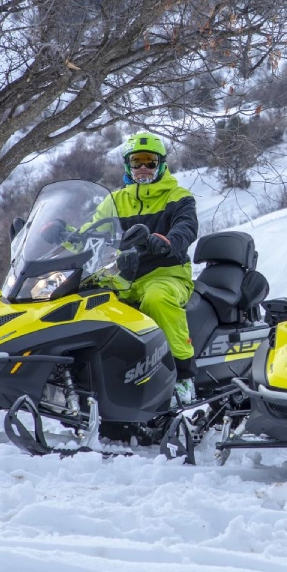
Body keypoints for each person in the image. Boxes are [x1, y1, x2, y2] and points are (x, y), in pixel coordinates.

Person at [50, 132, 199, 403]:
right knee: (87, 302)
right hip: (121, 276)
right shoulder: (116, 200)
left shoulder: (179, 196)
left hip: (166, 274)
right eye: (137, 162)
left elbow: (186, 229)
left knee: (157, 299)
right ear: (128, 166)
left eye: (150, 162)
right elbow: (91, 233)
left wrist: (167, 241)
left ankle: (183, 377)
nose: (143, 168)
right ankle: (88, 375)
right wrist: (65, 236)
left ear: (162, 164)